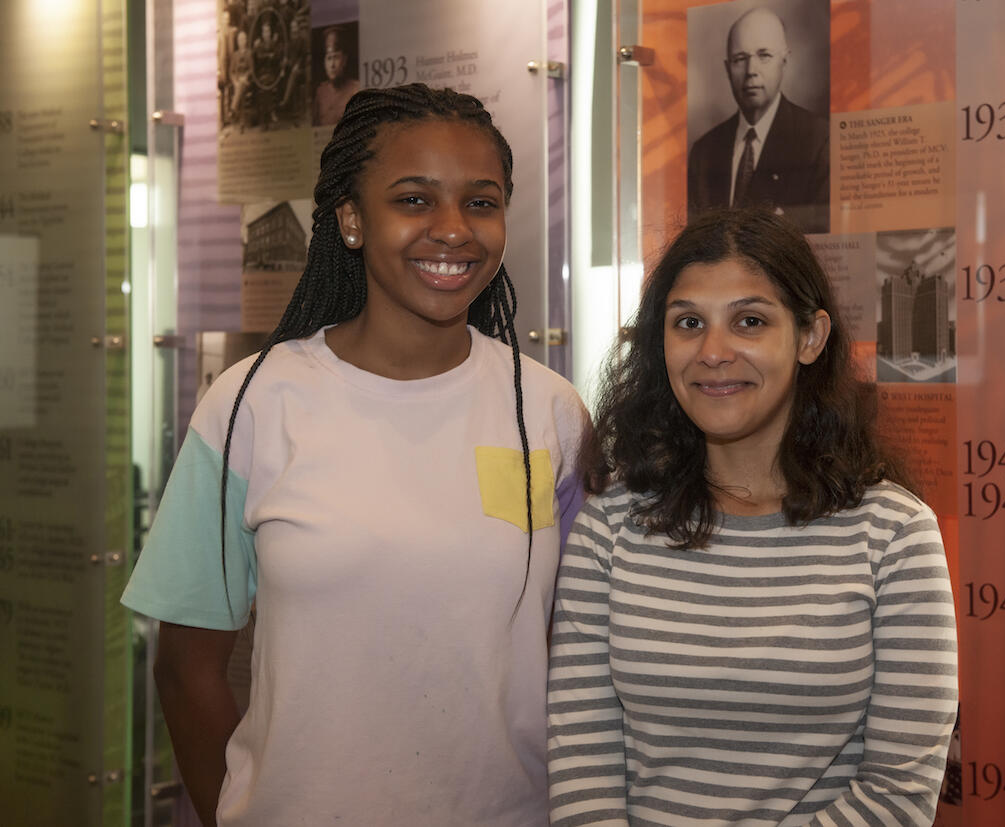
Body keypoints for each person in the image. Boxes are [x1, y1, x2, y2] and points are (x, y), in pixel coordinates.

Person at [122, 83, 587, 826]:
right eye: (414, 200)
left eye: (481, 202)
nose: (453, 229)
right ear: (351, 219)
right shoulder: (251, 405)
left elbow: (580, 660)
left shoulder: (550, 412)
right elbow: (185, 669)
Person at [547, 208, 957, 825]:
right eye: (689, 323)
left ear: (810, 337)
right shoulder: (610, 529)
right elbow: (583, 764)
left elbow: (898, 793)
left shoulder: (895, 534)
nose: (713, 352)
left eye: (750, 321)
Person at [687, 7, 829, 234]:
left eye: (764, 56)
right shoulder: (703, 154)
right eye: (740, 59)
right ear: (727, 69)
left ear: (784, 61)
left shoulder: (819, 141)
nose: (751, 71)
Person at [313, 25, 361, 127]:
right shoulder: (321, 92)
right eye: (329, 58)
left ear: (344, 60)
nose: (332, 65)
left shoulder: (355, 90)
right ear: (324, 62)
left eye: (336, 57)